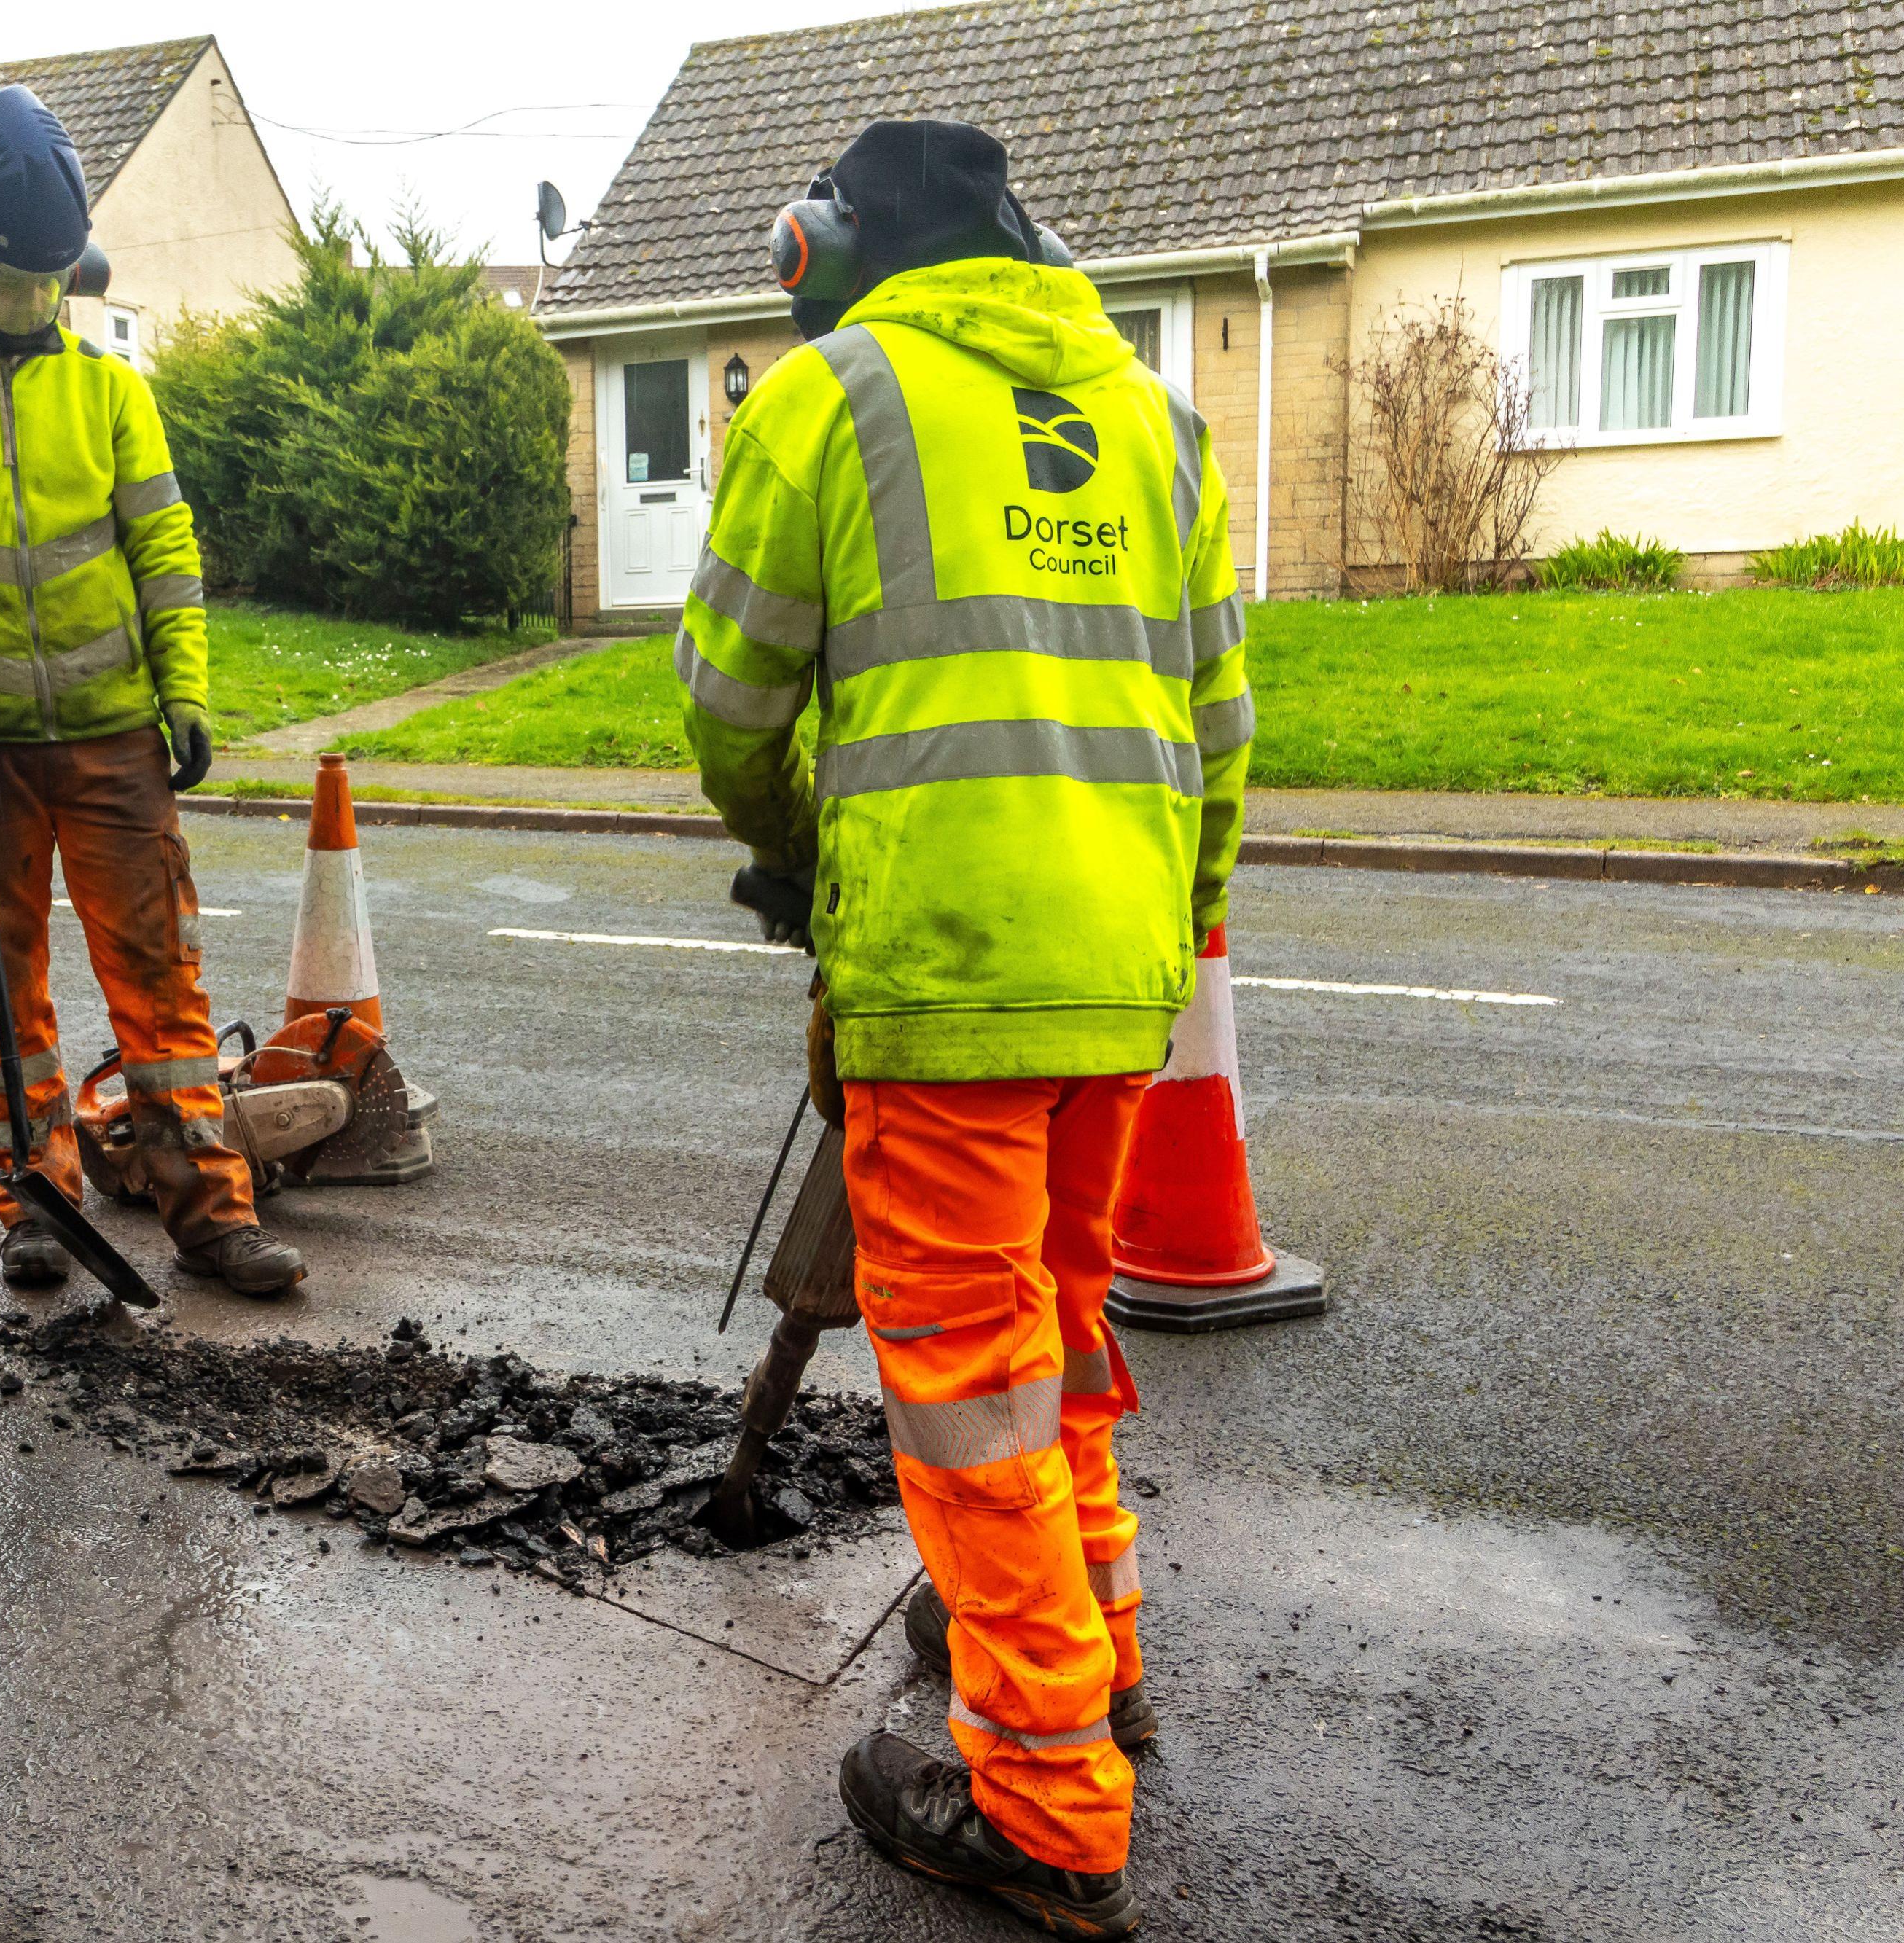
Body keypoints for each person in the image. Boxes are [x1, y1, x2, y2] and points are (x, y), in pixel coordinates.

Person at [679, 120, 1251, 1939]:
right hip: (1120, 973)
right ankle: (1100, 1658)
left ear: (831, 246)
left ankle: (1046, 1798)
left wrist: (798, 859)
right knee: (1057, 1319)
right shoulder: (1155, 418)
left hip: (944, 967)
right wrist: (1161, 929)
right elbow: (1218, 725)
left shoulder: (831, 398)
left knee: (965, 1381)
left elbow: (730, 699)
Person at [0, 84, 304, 1297]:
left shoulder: (111, 391)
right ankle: (35, 1204)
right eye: (16, 282)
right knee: (5, 995)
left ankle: (212, 1212)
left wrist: (185, 694)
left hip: (112, 748)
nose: (38, 304)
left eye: (53, 283)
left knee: (162, 986)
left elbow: (167, 555)